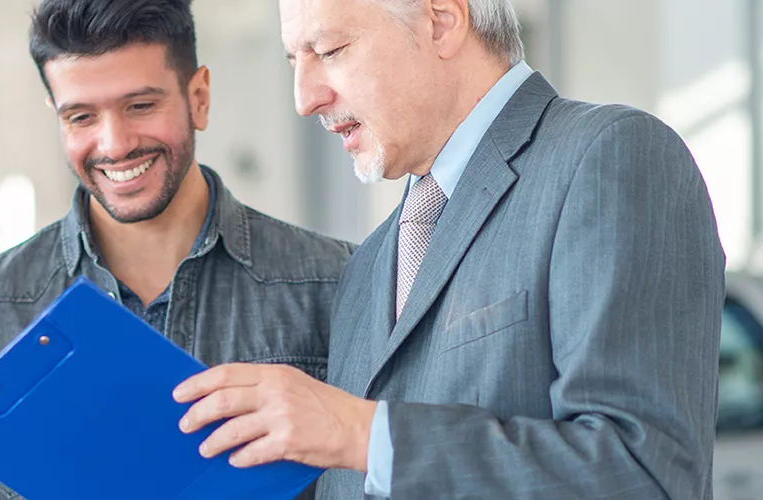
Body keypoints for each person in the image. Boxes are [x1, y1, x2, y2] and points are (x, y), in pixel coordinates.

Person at [173, 0, 724, 498]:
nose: (305, 98)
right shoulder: (368, 265)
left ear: (442, 21)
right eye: (295, 60)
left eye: (330, 50)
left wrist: (361, 433)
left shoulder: (609, 158)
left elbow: (644, 474)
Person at [0, 0, 354, 498]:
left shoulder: (334, 285)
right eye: (81, 116)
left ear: (199, 98)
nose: (115, 144)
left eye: (141, 106)